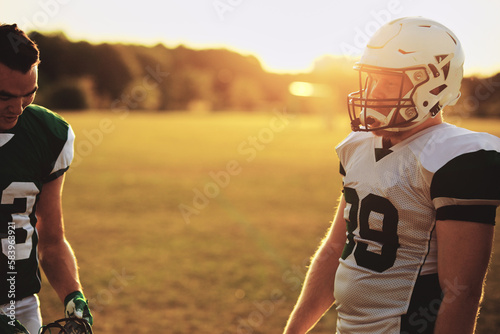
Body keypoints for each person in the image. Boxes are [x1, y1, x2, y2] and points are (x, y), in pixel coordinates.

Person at [284, 17, 500, 334]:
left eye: (388, 82)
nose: (372, 92)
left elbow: (461, 292)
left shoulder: (457, 160)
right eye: (371, 80)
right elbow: (335, 249)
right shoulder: (357, 146)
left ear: (433, 85)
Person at [0, 23, 93, 333]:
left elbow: (51, 241)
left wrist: (73, 293)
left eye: (29, 94)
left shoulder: (48, 135)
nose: (17, 108)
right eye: (4, 97)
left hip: (21, 305)